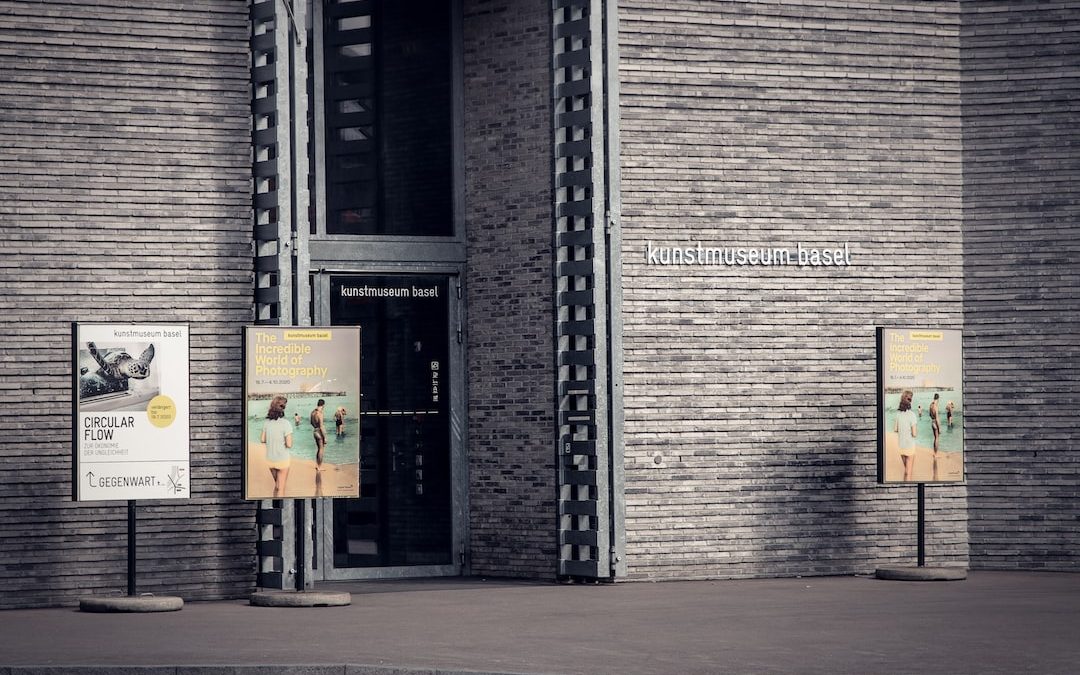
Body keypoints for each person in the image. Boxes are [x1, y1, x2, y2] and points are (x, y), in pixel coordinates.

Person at [261, 395, 293, 498]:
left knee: (277, 485)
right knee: (281, 488)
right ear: (283, 408)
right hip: (282, 459)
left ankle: (274, 506)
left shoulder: (266, 422)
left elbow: (263, 439)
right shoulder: (286, 423)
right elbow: (289, 444)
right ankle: (281, 511)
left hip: (270, 459)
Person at [895, 390, 918, 481]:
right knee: (909, 474)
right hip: (909, 446)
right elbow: (914, 434)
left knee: (906, 471)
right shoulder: (912, 415)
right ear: (910, 401)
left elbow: (895, 429)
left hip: (901, 446)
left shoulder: (898, 414)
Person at [310, 398, 327, 468]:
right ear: (323, 405)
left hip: (315, 431)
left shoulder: (313, 412)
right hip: (319, 432)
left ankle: (317, 465)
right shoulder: (320, 413)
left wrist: (315, 427)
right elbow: (321, 426)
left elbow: (311, 422)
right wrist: (325, 437)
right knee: (321, 449)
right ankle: (319, 467)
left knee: (319, 449)